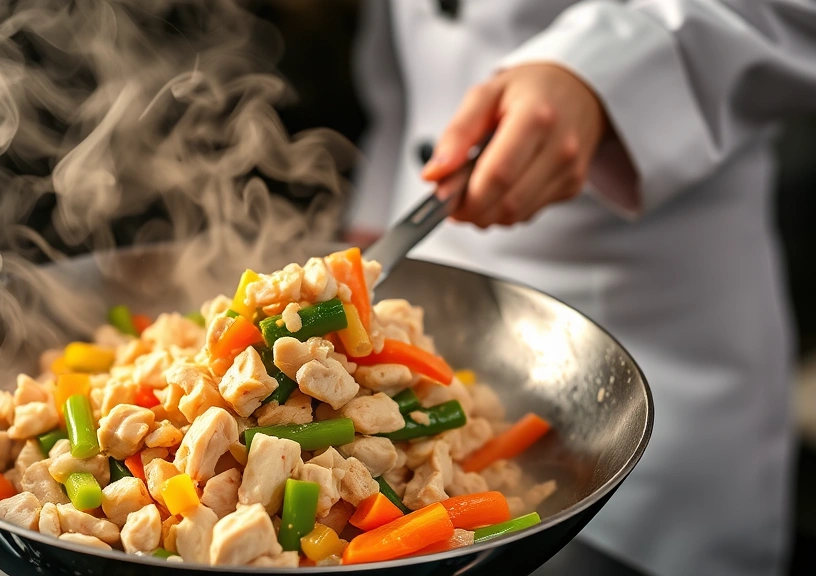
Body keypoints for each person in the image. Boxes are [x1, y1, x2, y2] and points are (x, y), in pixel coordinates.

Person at [347, 1, 816, 575]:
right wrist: (368, 231)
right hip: (419, 270)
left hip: (642, 329)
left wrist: (603, 73)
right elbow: (413, 58)